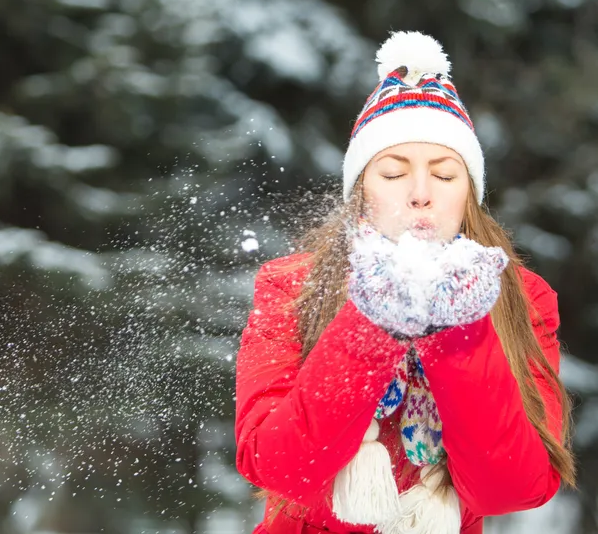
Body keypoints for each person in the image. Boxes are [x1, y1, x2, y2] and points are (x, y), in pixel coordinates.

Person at [234, 30, 576, 534]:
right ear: (361, 192)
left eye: (444, 175)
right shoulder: (293, 286)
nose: (420, 194)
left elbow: (512, 489)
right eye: (393, 174)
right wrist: (370, 327)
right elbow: (279, 467)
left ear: (469, 193)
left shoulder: (521, 298)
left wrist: (460, 332)